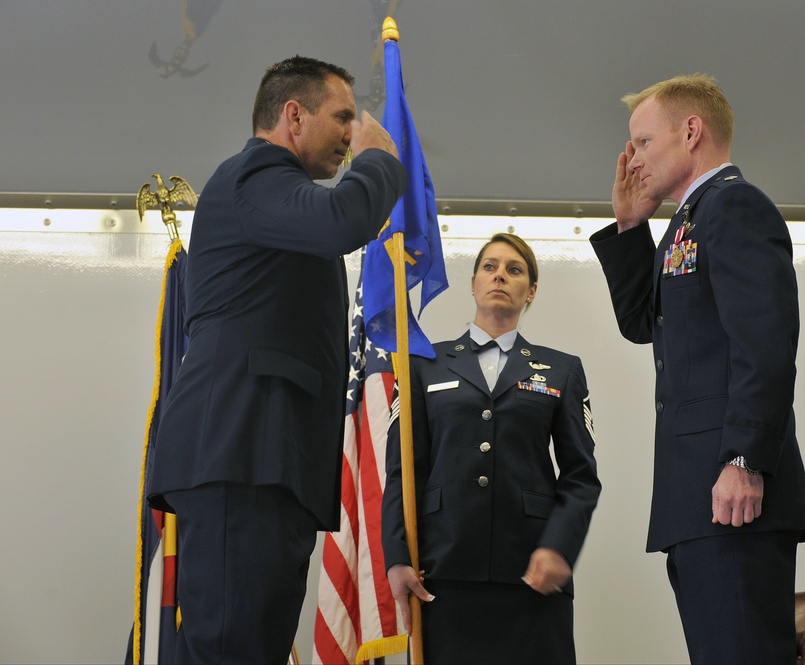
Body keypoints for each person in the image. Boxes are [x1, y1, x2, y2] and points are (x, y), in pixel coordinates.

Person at [145, 56, 406, 663]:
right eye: (341, 116)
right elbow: (343, 219)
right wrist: (378, 161)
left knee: (248, 648)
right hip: (243, 453)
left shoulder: (274, 198)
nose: (350, 132)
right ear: (294, 115)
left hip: (266, 461)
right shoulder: (254, 176)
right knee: (233, 650)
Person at [590, 74, 805, 664]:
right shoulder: (685, 223)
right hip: (699, 494)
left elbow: (765, 342)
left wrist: (744, 457)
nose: (632, 159)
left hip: (732, 487)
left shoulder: (734, 205)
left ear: (690, 131)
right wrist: (628, 226)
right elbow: (643, 323)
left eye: (642, 141)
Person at [382, 233, 601, 664]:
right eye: (490, 266)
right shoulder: (422, 363)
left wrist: (559, 546)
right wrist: (396, 558)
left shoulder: (561, 369)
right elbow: (402, 470)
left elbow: (580, 476)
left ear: (531, 291)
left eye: (514, 269)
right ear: (474, 282)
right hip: (441, 574)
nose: (500, 275)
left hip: (530, 576)